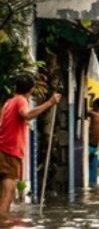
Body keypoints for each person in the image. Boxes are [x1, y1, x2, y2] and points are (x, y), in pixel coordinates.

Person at [0, 75, 61, 216]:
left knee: (5, 191)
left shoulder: (9, 102)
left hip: (3, 148)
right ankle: (3, 225)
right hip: (10, 151)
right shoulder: (21, 100)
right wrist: (49, 103)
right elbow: (26, 115)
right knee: (8, 193)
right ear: (31, 89)